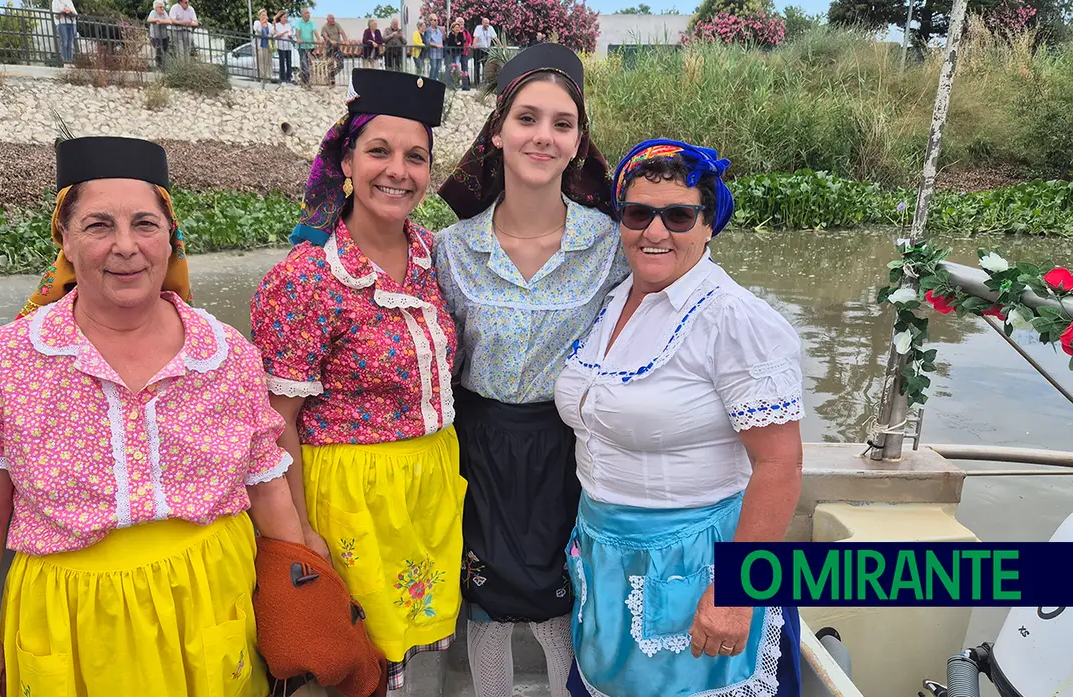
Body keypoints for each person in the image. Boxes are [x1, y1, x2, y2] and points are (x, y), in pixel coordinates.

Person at [0, 136, 387, 697]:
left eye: (146, 225)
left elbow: (269, 489)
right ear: (65, 241)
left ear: (170, 237)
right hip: (73, 622)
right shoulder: (3, 360)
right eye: (99, 226)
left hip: (213, 605)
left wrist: (305, 595)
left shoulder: (224, 354)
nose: (126, 247)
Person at [555, 139, 805, 697]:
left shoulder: (734, 319)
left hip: (697, 565)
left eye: (679, 215)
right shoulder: (616, 299)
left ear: (709, 223)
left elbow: (781, 464)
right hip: (606, 554)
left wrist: (735, 595)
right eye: (639, 213)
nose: (655, 231)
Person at [250, 69, 462, 697]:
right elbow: (275, 420)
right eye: (379, 151)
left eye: (415, 157)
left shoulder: (432, 256)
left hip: (427, 486)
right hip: (348, 493)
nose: (398, 171)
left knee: (405, 650)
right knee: (353, 653)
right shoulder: (305, 280)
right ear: (346, 159)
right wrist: (297, 529)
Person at [434, 43, 625, 697]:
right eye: (527, 118)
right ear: (498, 130)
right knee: (485, 602)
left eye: (561, 123)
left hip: (570, 448)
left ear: (578, 142)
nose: (543, 135)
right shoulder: (452, 250)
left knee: (563, 602)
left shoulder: (610, 245)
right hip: (478, 449)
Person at [293, 8, 317, 85]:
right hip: (302, 46)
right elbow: (298, 31)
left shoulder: (312, 22)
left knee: (307, 64)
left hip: (310, 46)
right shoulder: (299, 22)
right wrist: (298, 38)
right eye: (307, 13)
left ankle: (303, 78)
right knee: (304, 63)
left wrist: (319, 39)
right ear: (303, 15)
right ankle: (307, 82)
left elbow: (315, 31)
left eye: (309, 13)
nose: (308, 14)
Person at [471, 17, 498, 85]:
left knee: (486, 67)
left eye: (488, 24)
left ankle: (484, 82)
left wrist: (500, 45)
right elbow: (476, 37)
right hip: (478, 49)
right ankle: (476, 83)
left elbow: (495, 38)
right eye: (486, 23)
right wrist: (474, 45)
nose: (487, 25)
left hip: (486, 50)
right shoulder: (478, 28)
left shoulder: (490, 28)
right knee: (477, 67)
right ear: (482, 23)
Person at [145, 0, 169, 68]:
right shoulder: (153, 12)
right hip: (155, 36)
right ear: (156, 8)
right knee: (159, 50)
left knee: (165, 50)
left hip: (164, 36)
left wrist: (161, 21)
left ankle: (164, 66)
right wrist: (157, 20)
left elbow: (169, 20)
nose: (162, 9)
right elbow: (149, 20)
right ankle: (159, 66)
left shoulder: (164, 13)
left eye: (163, 7)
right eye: (160, 7)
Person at [273, 10, 293, 83]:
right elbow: (276, 36)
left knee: (289, 62)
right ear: (280, 18)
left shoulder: (288, 25)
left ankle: (289, 78)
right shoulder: (277, 25)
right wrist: (284, 32)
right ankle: (282, 79)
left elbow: (291, 35)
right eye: (284, 17)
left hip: (288, 46)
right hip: (281, 46)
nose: (285, 19)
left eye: (286, 17)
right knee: (282, 63)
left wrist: (290, 36)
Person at [253, 8, 273, 81]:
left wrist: (274, 26)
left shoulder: (269, 25)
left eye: (265, 15)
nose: (264, 16)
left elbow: (272, 33)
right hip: (260, 45)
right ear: (260, 16)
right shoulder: (257, 23)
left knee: (269, 62)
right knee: (261, 62)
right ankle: (262, 78)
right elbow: (256, 30)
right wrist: (262, 24)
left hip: (268, 45)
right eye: (263, 15)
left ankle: (269, 77)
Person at [423, 15, 443, 81]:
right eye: (434, 20)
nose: (436, 21)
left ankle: (436, 82)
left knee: (438, 68)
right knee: (433, 67)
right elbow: (427, 42)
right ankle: (431, 82)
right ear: (430, 21)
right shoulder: (428, 30)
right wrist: (436, 45)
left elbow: (444, 39)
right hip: (432, 52)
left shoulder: (440, 29)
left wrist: (445, 32)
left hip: (440, 52)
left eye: (437, 20)